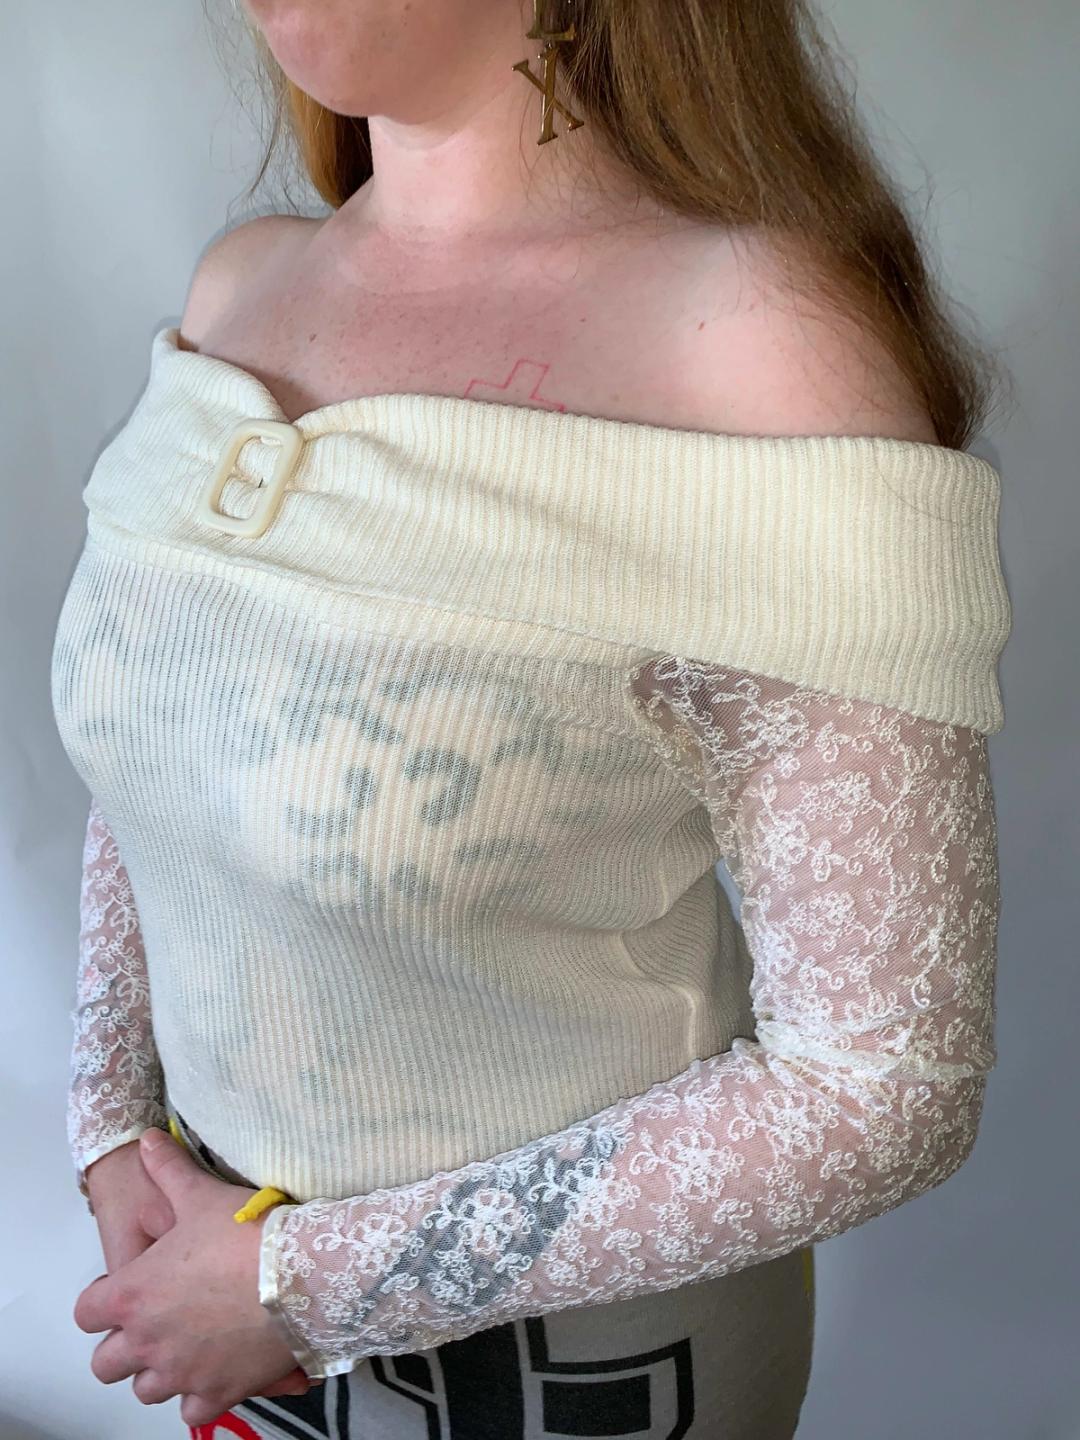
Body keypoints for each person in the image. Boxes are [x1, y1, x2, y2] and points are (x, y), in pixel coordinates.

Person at [53, 1, 1012, 1436]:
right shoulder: (239, 289)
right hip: (213, 1296)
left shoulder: (763, 350)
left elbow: (882, 1083)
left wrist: (304, 1287)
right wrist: (114, 1129)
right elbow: (150, 750)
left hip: (582, 1369)